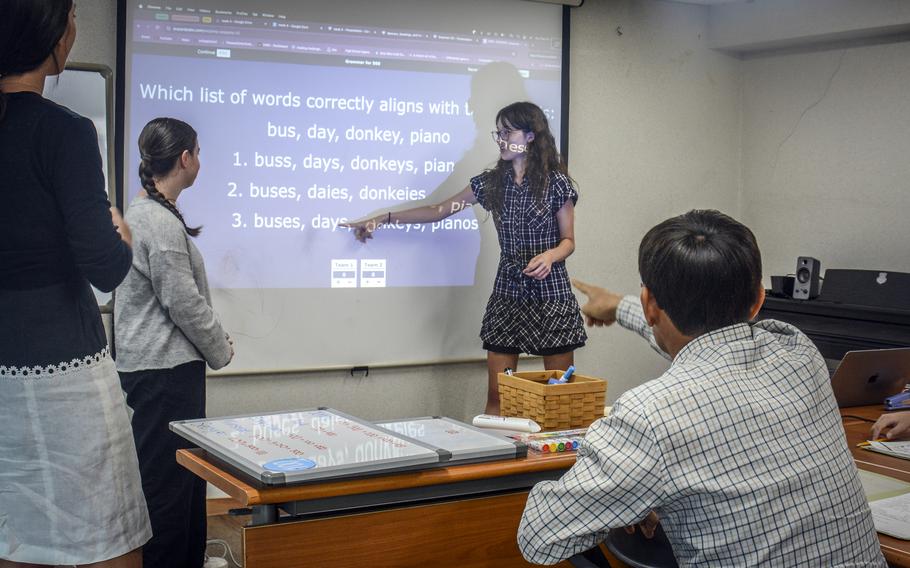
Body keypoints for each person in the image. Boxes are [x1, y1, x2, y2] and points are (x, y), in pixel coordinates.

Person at [518, 210, 886, 566]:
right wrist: (619, 307)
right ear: (759, 300)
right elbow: (706, 344)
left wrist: (636, 495)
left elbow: (539, 536)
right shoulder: (798, 351)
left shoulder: (649, 416)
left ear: (650, 304)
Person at [0, 1, 152, 566]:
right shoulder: (64, 131)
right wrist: (125, 236)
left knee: (13, 536)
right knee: (105, 542)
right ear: (55, 39)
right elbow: (105, 266)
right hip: (63, 374)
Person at [345, 101, 585, 414]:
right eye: (497, 133)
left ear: (530, 136)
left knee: (560, 401)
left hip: (551, 293)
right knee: (498, 400)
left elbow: (568, 241)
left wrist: (551, 256)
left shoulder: (556, 183)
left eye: (507, 132)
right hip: (508, 292)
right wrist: (383, 218)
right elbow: (439, 211)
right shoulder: (490, 183)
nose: (500, 139)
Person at [115, 118, 234, 568]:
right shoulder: (155, 222)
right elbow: (182, 302)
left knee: (182, 480)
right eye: (197, 152)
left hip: (160, 370)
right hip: (163, 373)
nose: (199, 161)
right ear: (184, 159)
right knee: (168, 487)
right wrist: (220, 348)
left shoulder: (148, 213)